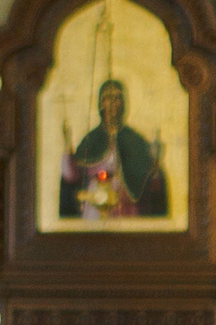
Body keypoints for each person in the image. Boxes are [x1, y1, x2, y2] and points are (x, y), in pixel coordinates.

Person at [58, 77, 171, 221]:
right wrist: (67, 146)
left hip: (127, 210)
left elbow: (152, 182)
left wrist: (155, 161)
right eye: (108, 97)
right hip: (95, 211)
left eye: (117, 97)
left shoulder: (135, 140)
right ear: (100, 103)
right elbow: (71, 177)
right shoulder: (91, 140)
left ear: (124, 103)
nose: (112, 103)